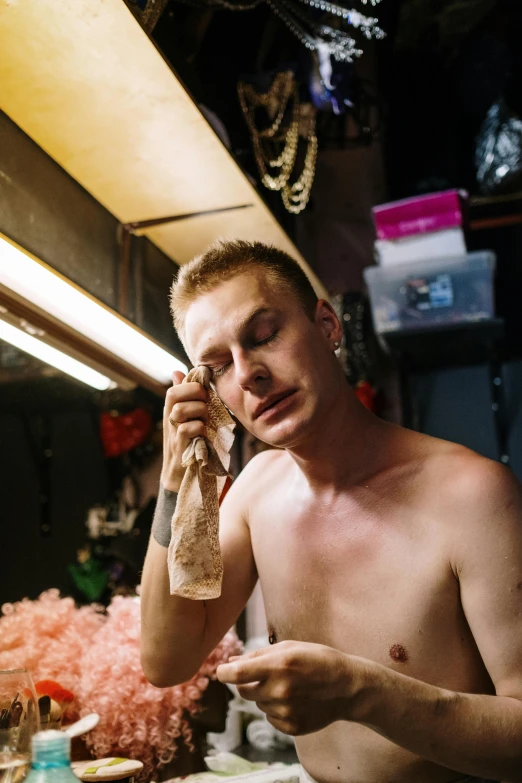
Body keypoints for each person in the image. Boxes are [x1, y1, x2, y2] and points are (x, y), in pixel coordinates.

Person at [140, 240, 522, 783]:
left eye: (264, 334)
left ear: (327, 325)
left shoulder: (473, 495)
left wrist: (360, 691)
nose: (248, 373)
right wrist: (175, 478)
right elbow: (166, 660)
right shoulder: (255, 495)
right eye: (219, 365)